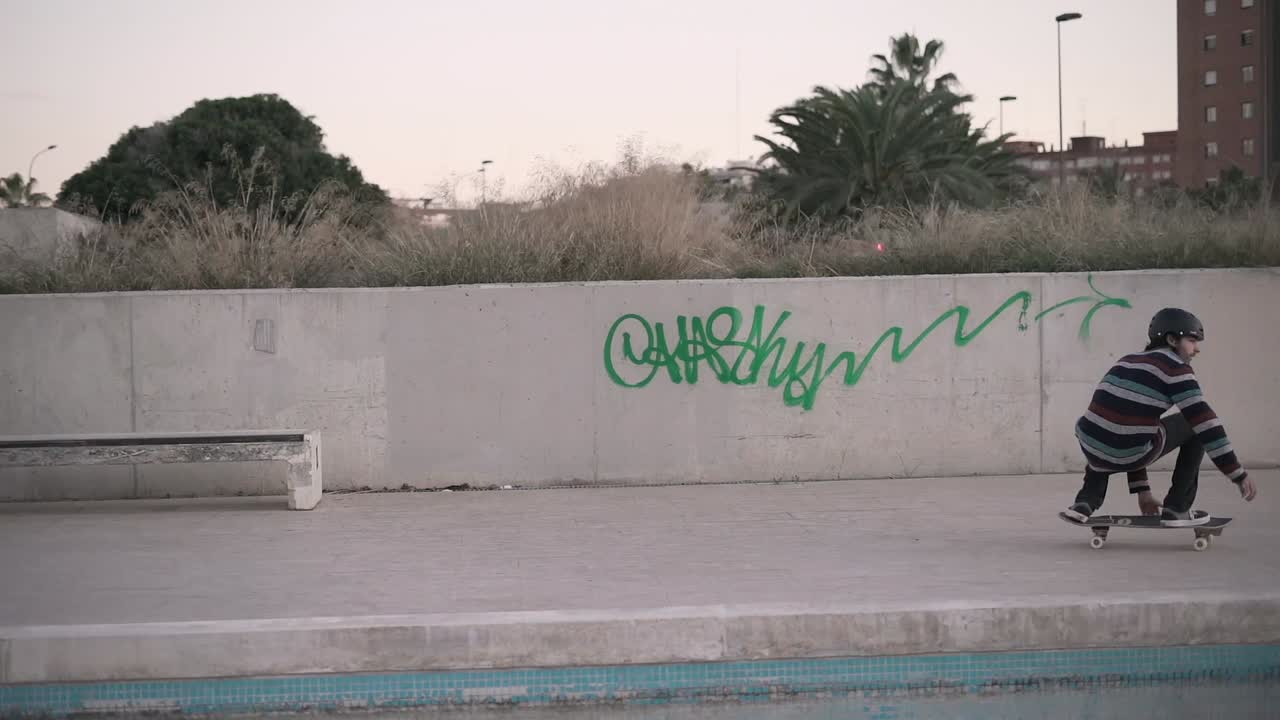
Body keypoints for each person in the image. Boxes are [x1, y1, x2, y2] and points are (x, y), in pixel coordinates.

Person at [1063, 308, 1257, 526]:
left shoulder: (1126, 361)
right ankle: (1177, 508)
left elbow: (1126, 426)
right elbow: (1206, 424)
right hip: (1127, 450)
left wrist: (1143, 492)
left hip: (1091, 445)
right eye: (1192, 341)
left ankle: (1085, 502)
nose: (1197, 349)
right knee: (1194, 426)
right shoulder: (1176, 369)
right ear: (1172, 340)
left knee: (1106, 429)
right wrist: (1237, 474)